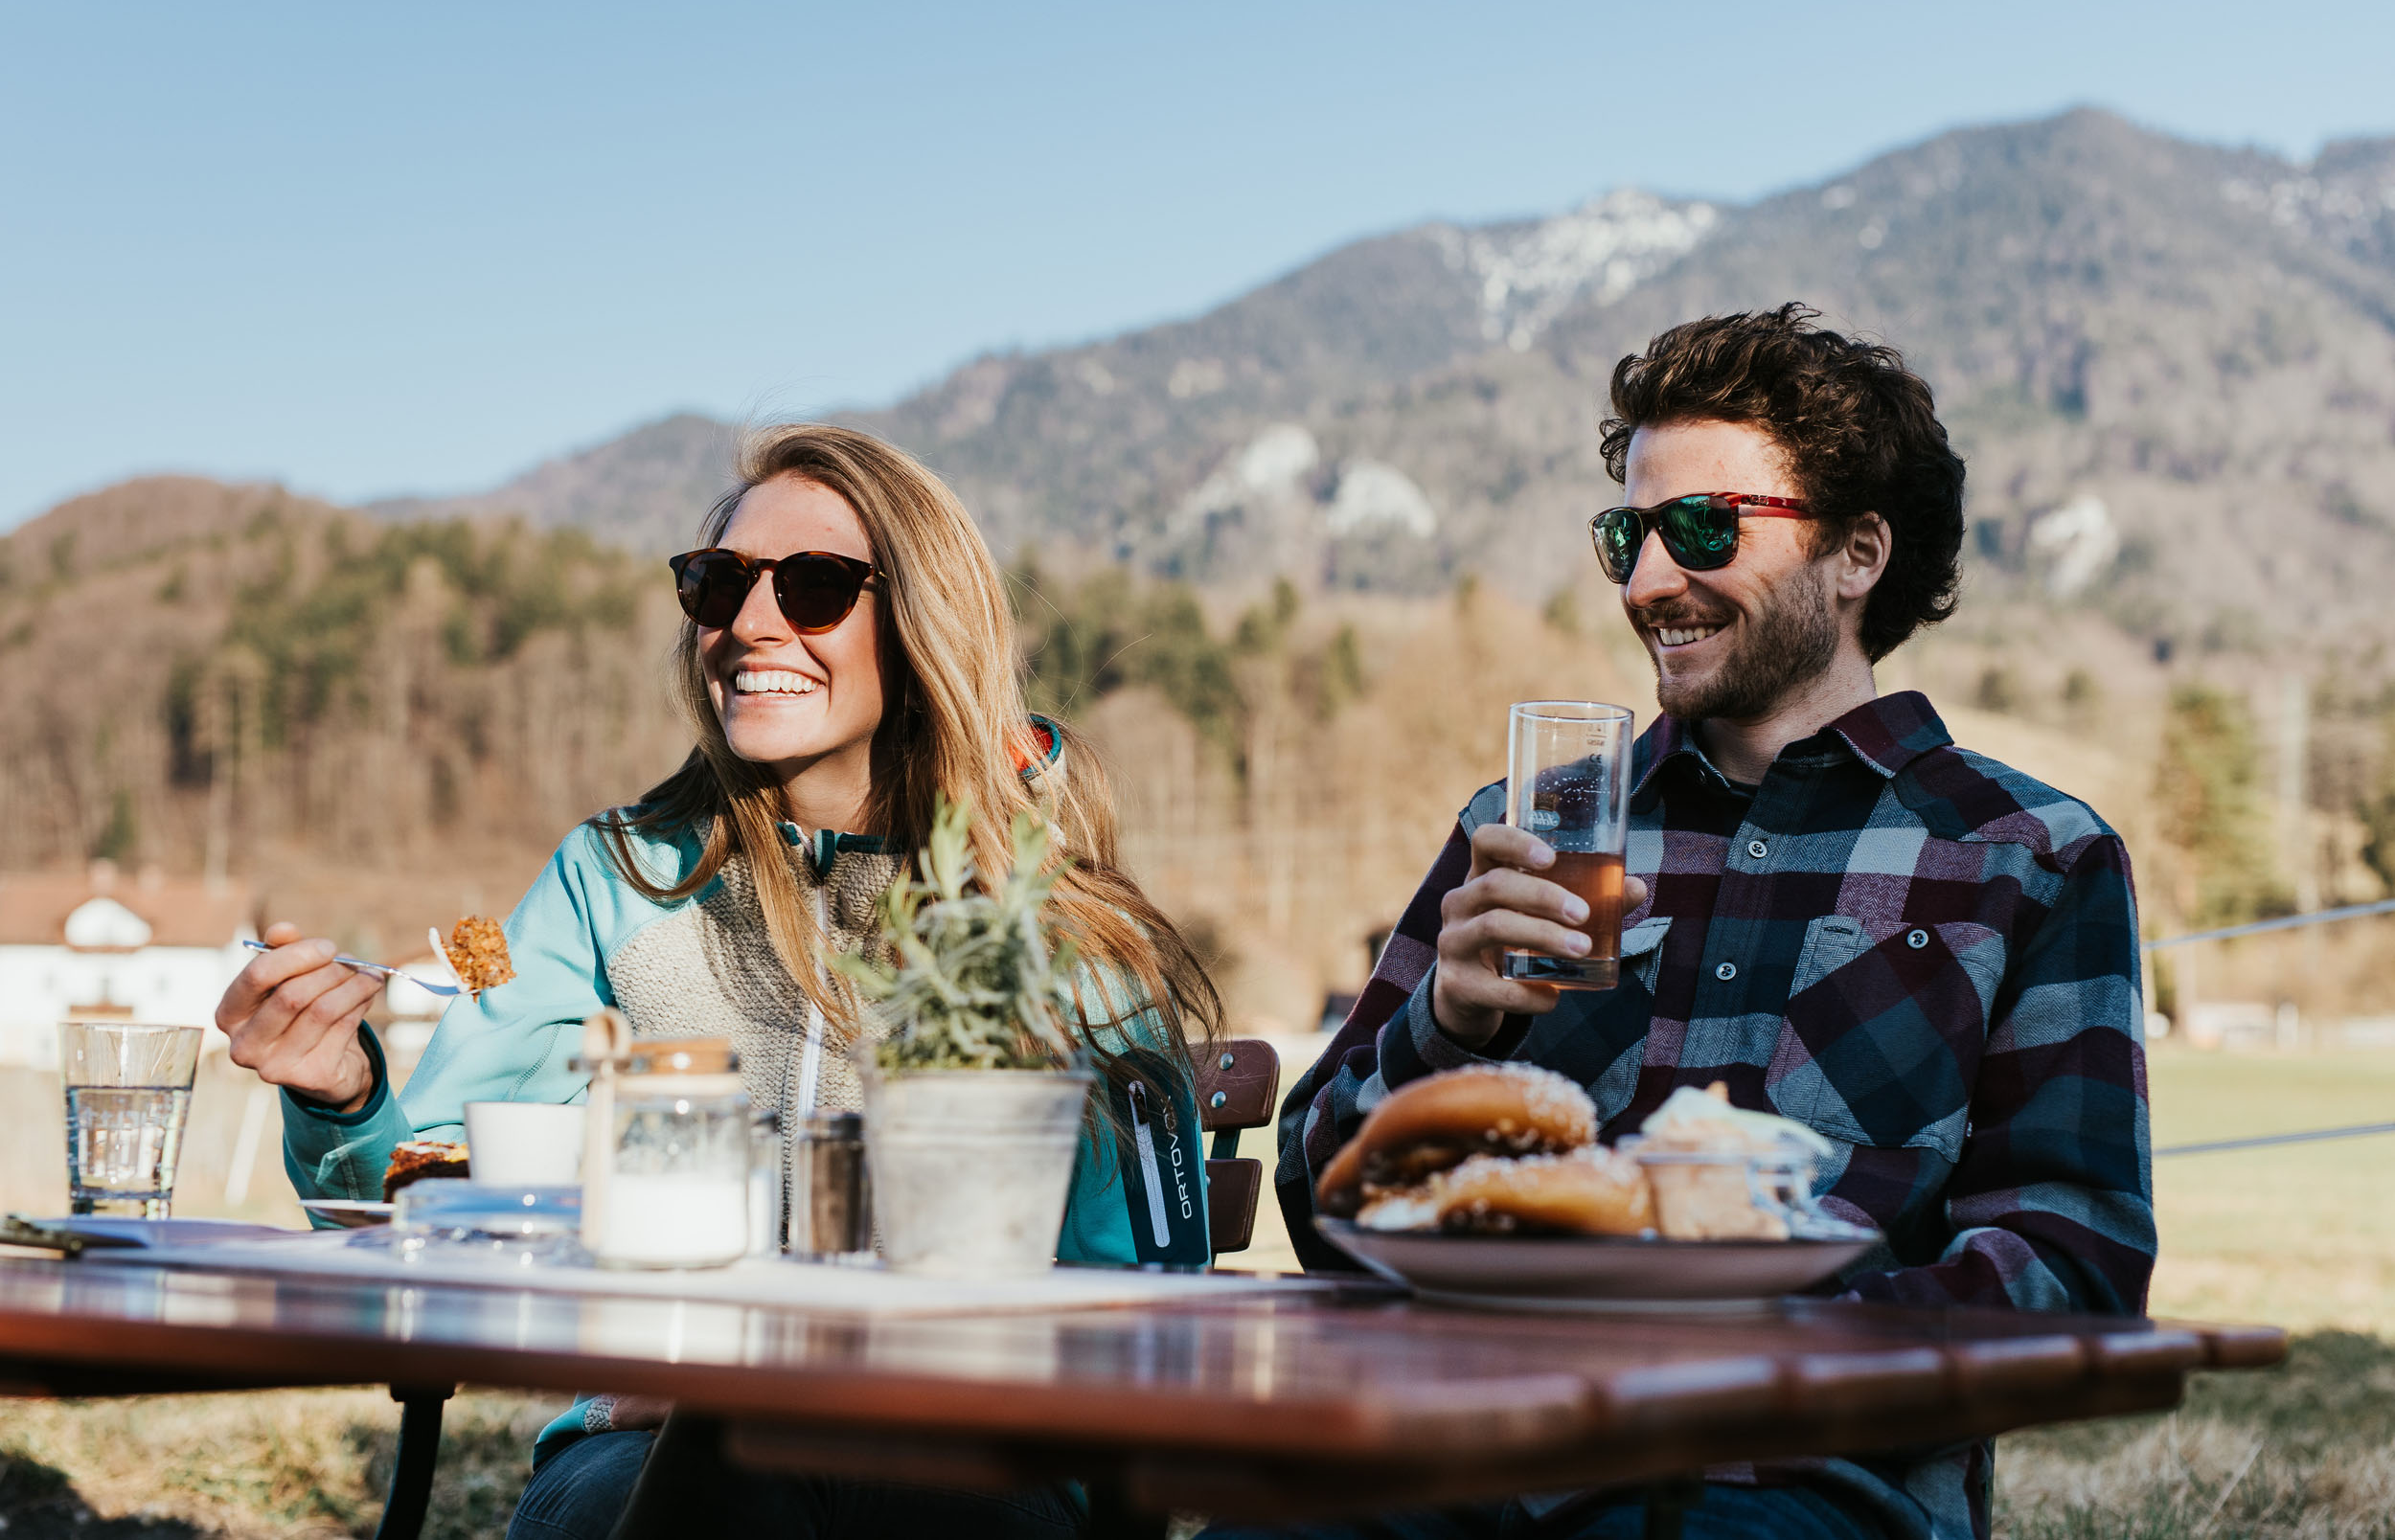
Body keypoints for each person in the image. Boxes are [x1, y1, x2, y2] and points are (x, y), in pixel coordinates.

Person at [216, 423, 1224, 1540]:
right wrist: (343, 1097)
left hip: (976, 1444)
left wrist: (808, 1366)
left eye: (813, 586)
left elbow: (1145, 1297)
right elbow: (437, 1205)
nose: (748, 622)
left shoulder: (1050, 920)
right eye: (718, 582)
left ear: (925, 620)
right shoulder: (614, 877)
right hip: (644, 1445)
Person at [1252, 306, 2152, 1540]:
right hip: (1455, 1467)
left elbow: (2077, 1261)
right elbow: (1320, 1211)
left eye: (1704, 527)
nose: (1646, 582)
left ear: (1857, 553)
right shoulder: (1529, 829)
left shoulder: (2028, 856)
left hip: (1796, 1484)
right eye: (1627, 534)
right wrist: (1443, 1029)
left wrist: (1779, 1343)